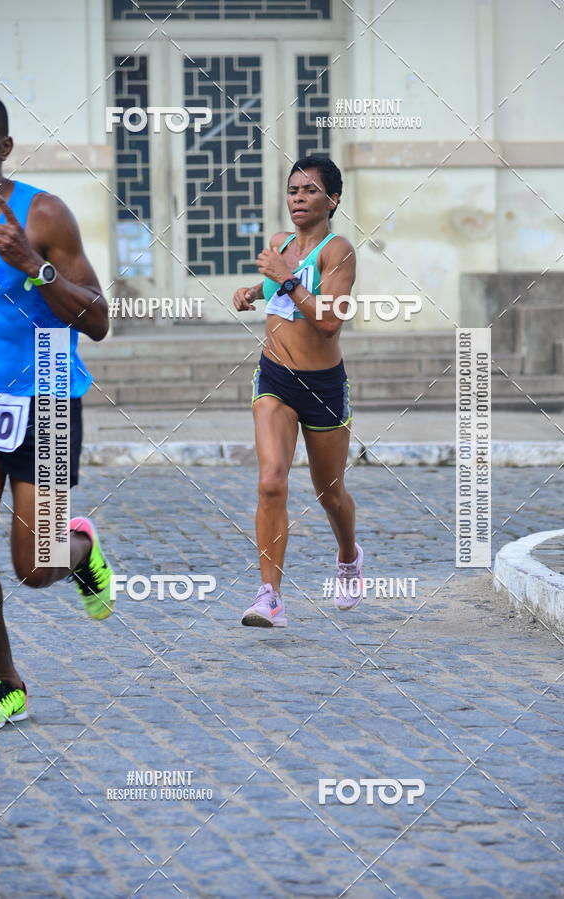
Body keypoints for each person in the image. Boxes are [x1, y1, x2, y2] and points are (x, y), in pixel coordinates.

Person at [0, 91, 114, 731]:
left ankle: (78, 552)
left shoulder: (44, 214)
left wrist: (33, 266)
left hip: (46, 400)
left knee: (35, 566)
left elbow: (100, 320)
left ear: (3, 147)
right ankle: (7, 683)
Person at [233, 155, 363, 627]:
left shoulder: (339, 251)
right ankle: (270, 595)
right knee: (270, 482)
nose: (299, 199)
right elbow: (283, 292)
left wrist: (283, 275)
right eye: (293, 191)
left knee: (330, 494)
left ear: (333, 199)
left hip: (324, 385)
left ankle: (348, 554)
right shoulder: (279, 243)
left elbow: (328, 321)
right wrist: (255, 289)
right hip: (275, 378)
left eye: (309, 191)